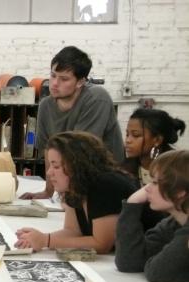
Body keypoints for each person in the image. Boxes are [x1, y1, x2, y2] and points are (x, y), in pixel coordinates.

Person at [20, 46, 124, 199]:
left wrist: (69, 195)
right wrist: (48, 192)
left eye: (64, 79)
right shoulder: (46, 105)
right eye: (53, 75)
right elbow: (49, 152)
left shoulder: (96, 98)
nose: (54, 83)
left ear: (80, 82)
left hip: (105, 180)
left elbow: (82, 152)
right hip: (72, 179)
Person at [15, 131, 136, 253]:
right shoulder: (75, 186)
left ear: (77, 166)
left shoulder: (105, 185)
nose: (48, 173)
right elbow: (72, 232)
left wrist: (46, 240)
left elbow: (102, 244)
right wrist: (37, 238)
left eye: (56, 166)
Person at [115, 150, 189, 282]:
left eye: (155, 183)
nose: (146, 188)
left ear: (180, 192)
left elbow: (156, 272)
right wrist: (132, 204)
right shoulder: (173, 223)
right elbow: (129, 262)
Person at [123, 108, 186, 186]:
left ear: (157, 140)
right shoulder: (124, 169)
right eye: (127, 134)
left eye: (136, 135)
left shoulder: (179, 171)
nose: (128, 140)